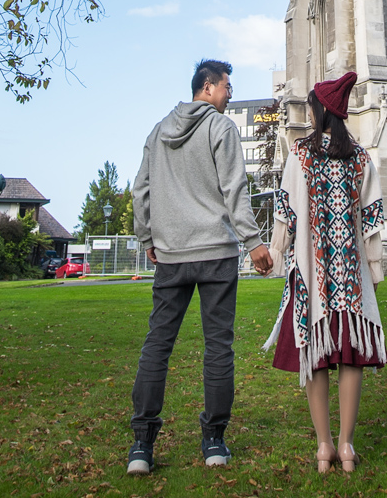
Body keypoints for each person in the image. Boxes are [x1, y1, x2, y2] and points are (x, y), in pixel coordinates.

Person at [128, 58, 274, 475]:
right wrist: (253, 242)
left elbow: (141, 191)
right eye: (227, 86)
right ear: (207, 87)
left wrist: (147, 237)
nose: (230, 93)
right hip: (214, 254)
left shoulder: (158, 132)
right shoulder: (220, 127)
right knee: (217, 348)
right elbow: (234, 188)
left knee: (158, 345)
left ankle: (142, 445)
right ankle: (214, 440)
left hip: (172, 254)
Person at [266, 72, 387, 474]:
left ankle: (324, 447)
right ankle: (348, 447)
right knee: (350, 357)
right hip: (351, 277)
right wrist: (374, 268)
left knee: (315, 356)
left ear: (319, 111)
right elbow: (371, 221)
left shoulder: (300, 154)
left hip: (311, 274)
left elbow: (285, 213)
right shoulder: (361, 158)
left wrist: (276, 253)